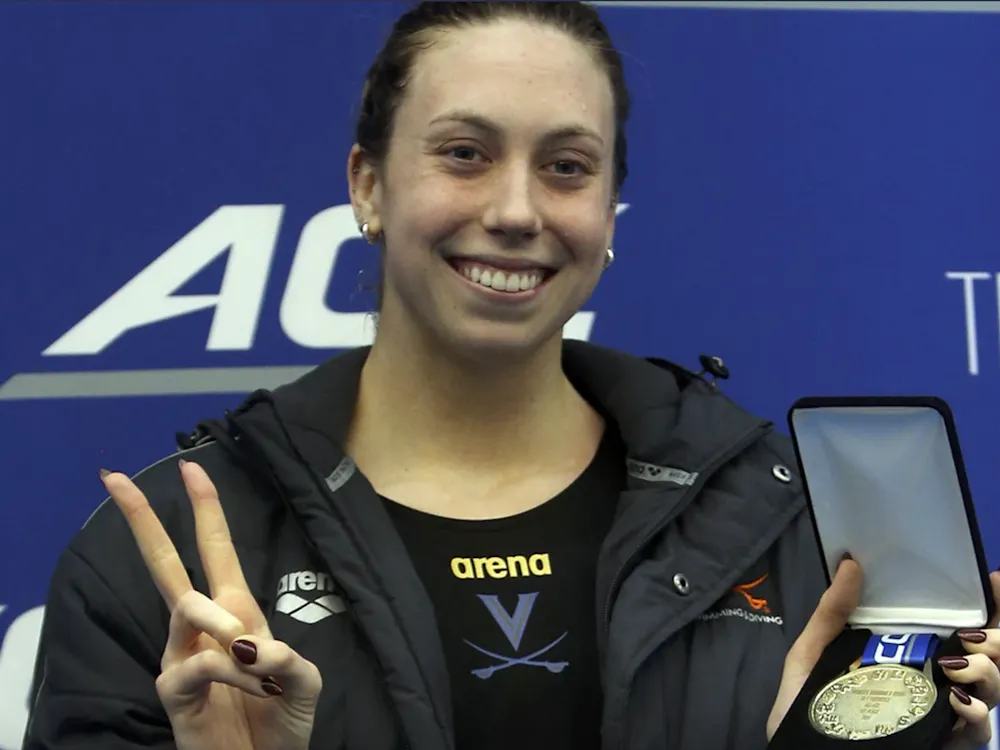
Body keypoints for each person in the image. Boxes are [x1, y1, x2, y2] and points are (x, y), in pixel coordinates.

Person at [21, 2, 1000, 749]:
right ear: (368, 185)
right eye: (464, 153)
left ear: (611, 216)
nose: (518, 209)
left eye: (568, 167)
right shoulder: (169, 568)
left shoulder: (790, 528)